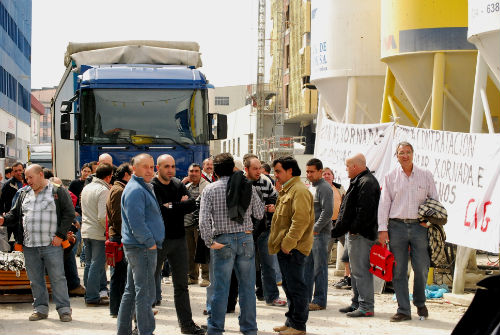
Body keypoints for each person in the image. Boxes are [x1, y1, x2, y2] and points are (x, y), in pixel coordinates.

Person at [199, 153, 264, 335]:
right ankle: (249, 328)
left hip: (222, 240)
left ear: (216, 171)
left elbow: (203, 221)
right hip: (245, 238)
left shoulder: (210, 189)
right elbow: (259, 214)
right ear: (233, 168)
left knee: (220, 288)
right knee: (247, 288)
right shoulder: (247, 187)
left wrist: (209, 241)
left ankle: (215, 329)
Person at [0, 164, 74, 322]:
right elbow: (15, 214)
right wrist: (3, 220)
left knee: (58, 277)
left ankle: (64, 310)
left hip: (51, 245)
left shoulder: (57, 191)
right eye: (26, 178)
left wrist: (60, 235)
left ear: (41, 175)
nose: (27, 180)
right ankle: (40, 309)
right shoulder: (23, 193)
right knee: (35, 279)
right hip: (29, 245)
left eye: (30, 177)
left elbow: (69, 213)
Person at [378, 142, 438, 322]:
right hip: (397, 227)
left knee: (421, 267)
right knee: (399, 270)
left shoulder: (425, 175)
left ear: (413, 154)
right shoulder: (390, 177)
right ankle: (403, 309)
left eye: (408, 152)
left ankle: (420, 302)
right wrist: (382, 229)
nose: (405, 156)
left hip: (420, 227)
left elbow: (434, 199)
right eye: (401, 153)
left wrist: (429, 221)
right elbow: (384, 203)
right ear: (396, 156)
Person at [151, 154, 205, 335]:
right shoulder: (152, 186)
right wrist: (178, 205)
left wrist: (172, 206)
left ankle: (187, 325)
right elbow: (159, 210)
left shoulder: (178, 184)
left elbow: (192, 205)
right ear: (158, 168)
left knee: (181, 285)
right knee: (149, 284)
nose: (170, 170)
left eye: (173, 166)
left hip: (179, 239)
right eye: (166, 166)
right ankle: (142, 325)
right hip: (159, 240)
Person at [117, 153, 165, 335]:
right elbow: (136, 222)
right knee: (144, 294)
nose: (149, 170)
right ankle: (146, 331)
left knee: (132, 291)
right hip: (142, 247)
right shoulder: (136, 190)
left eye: (152, 166)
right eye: (145, 166)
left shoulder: (142, 187)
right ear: (134, 169)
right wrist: (149, 242)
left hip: (139, 247)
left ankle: (124, 331)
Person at [269, 156, 314, 335]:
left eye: (278, 171)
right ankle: (291, 321)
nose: (275, 175)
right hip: (286, 248)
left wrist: (288, 244)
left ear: (290, 171)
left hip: (293, 248)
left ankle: (298, 326)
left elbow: (300, 221)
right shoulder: (288, 189)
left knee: (297, 287)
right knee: (289, 286)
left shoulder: (299, 191)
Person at [332, 153, 380, 317]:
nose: (346, 169)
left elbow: (364, 212)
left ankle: (366, 306)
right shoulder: (360, 181)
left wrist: (353, 229)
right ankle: (357, 303)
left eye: (347, 166)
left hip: (361, 235)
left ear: (354, 166)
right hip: (355, 233)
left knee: (361, 271)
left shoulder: (367, 182)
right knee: (355, 271)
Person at [243, 154, 286, 307]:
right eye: (255, 169)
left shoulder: (265, 181)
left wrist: (272, 205)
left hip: (264, 230)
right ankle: (244, 298)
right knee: (244, 266)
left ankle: (272, 296)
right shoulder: (240, 182)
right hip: (245, 232)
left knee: (268, 265)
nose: (258, 171)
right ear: (245, 169)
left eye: (259, 168)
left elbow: (275, 197)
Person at [81, 163, 113, 306]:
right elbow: (102, 216)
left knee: (89, 263)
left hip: (86, 231)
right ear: (108, 176)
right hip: (98, 232)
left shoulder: (87, 187)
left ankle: (89, 293)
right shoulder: (103, 190)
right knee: (97, 264)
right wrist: (107, 231)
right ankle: (92, 296)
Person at [304, 158, 333, 311]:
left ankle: (320, 300)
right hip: (310, 235)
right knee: (308, 268)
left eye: (312, 171)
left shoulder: (324, 188)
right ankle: (307, 299)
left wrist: (315, 228)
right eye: (307, 171)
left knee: (319, 268)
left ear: (320, 172)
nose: (308, 174)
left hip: (320, 234)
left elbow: (327, 212)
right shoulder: (311, 187)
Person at [106, 163, 132, 317]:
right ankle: (116, 309)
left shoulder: (118, 188)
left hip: (119, 235)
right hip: (119, 237)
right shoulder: (118, 190)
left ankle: (119, 309)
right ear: (126, 175)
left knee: (120, 275)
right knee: (119, 276)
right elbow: (117, 218)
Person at [322, 168, 350, 289]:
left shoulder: (340, 188)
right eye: (324, 174)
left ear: (333, 176)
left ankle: (348, 277)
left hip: (340, 224)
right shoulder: (317, 188)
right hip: (325, 225)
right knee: (324, 252)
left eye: (329, 174)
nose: (327, 176)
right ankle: (321, 278)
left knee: (348, 249)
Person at [184, 163, 210, 287]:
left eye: (196, 171)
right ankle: (192, 276)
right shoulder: (187, 187)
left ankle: (206, 277)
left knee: (202, 251)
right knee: (190, 252)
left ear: (200, 173)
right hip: (187, 223)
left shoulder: (207, 186)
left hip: (200, 224)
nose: (193, 173)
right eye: (191, 171)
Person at [0, 162, 24, 249]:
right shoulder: (8, 185)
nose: (18, 172)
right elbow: (1, 201)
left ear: (23, 170)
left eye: (20, 170)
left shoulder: (28, 183)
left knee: (21, 242)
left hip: (23, 219)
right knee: (5, 242)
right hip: (10, 218)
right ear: (12, 172)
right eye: (15, 171)